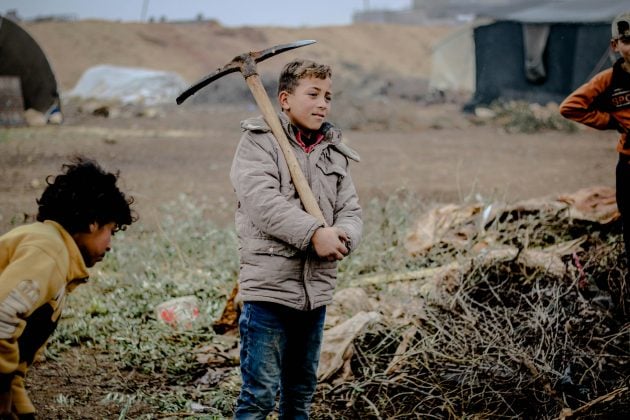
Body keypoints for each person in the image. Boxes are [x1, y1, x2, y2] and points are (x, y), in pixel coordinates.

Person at [230, 59, 362, 419]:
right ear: (284, 99)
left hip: (314, 295)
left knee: (300, 395)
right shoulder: (258, 143)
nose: (323, 104)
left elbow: (351, 210)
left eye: (328, 97)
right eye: (313, 94)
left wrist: (343, 236)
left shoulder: (333, 151)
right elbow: (263, 203)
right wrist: (313, 234)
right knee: (259, 395)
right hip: (269, 293)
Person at [0, 156, 136, 419]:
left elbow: (15, 353)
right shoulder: (48, 252)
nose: (110, 245)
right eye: (111, 230)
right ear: (92, 222)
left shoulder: (54, 251)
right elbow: (2, 316)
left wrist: (20, 405)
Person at [559, 12, 630, 266]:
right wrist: (611, 121)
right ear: (616, 45)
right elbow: (570, 107)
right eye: (628, 41)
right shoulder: (608, 81)